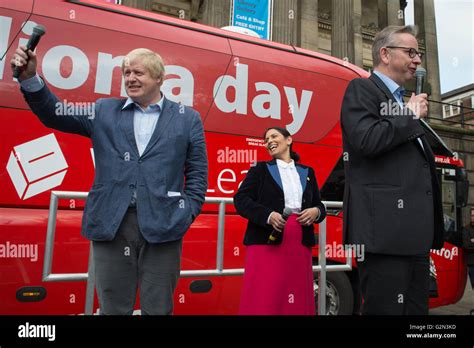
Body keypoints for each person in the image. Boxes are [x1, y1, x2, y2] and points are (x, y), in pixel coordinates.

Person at [11, 46, 208, 315]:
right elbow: (55, 113)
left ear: (160, 78)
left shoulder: (188, 119)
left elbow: (197, 174)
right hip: (111, 222)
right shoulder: (104, 110)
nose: (130, 78)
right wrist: (30, 79)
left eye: (138, 72)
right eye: (126, 72)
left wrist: (186, 213)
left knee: (159, 309)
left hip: (165, 225)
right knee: (113, 308)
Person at [340, 25, 444, 315]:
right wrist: (407, 115)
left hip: (414, 240)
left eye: (419, 53)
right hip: (384, 236)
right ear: (385, 54)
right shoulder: (361, 89)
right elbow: (366, 140)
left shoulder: (402, 103)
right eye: (410, 52)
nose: (418, 60)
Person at [234, 127, 326, 315]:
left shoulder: (308, 171)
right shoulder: (259, 169)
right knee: (265, 293)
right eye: (266, 139)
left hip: (299, 241)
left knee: (295, 292)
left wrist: (316, 211)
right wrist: (268, 215)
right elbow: (241, 200)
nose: (269, 141)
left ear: (289, 140)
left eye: (274, 136)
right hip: (266, 239)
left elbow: (319, 204)